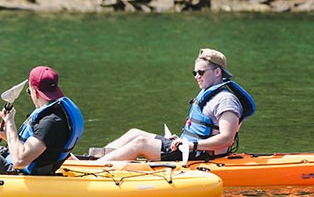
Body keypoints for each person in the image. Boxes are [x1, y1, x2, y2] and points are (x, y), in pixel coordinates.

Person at [91, 48, 255, 164]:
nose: (196, 76)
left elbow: (227, 139)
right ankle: (90, 159)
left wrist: (191, 144)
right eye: (194, 73)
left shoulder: (226, 100)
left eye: (201, 72)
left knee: (141, 142)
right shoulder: (209, 93)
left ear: (218, 72)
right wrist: (183, 140)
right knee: (135, 133)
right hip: (187, 147)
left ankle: (94, 170)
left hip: (198, 154)